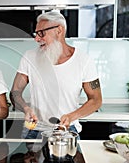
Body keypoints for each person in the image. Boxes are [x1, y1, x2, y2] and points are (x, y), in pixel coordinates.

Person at [10, 11, 102, 139]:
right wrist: (26, 108)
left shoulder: (84, 61)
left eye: (41, 33)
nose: (37, 39)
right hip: (35, 131)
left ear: (59, 30)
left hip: (67, 131)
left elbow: (96, 100)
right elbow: (15, 93)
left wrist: (72, 116)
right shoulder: (29, 57)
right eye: (36, 34)